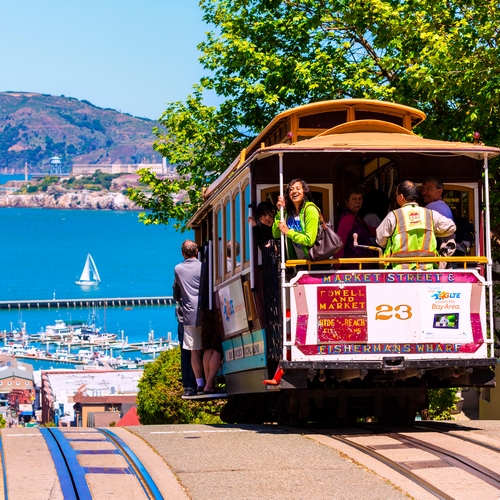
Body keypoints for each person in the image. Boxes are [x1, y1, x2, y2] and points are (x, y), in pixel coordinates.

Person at [376, 180, 456, 270]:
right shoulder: (430, 214)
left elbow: (380, 240)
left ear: (401, 197)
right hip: (427, 270)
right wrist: (433, 232)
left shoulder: (394, 216)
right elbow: (451, 227)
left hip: (401, 271)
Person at [173, 240, 205, 394]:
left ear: (183, 253)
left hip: (189, 315)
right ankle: (207, 381)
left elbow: (176, 292)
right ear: (197, 251)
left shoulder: (178, 269)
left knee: (193, 351)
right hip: (206, 312)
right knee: (208, 348)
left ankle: (195, 384)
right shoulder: (204, 267)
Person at [272, 178, 319, 260]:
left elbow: (309, 240)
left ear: (304, 191)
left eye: (298, 188)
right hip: (297, 263)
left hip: (314, 262)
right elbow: (276, 234)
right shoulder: (289, 213)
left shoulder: (310, 210)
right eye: (291, 189)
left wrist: (288, 232)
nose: (294, 191)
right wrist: (280, 211)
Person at [335, 188, 377, 265]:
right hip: (352, 265)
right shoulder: (347, 218)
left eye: (360, 199)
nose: (357, 201)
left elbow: (371, 231)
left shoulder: (357, 217)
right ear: (346, 201)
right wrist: (337, 263)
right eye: (354, 199)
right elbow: (340, 241)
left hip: (361, 263)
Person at [172, 294, 197, 397]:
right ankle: (194, 383)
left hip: (183, 317)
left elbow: (176, 295)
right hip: (196, 316)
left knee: (185, 354)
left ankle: (187, 386)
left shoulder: (179, 278)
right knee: (196, 352)